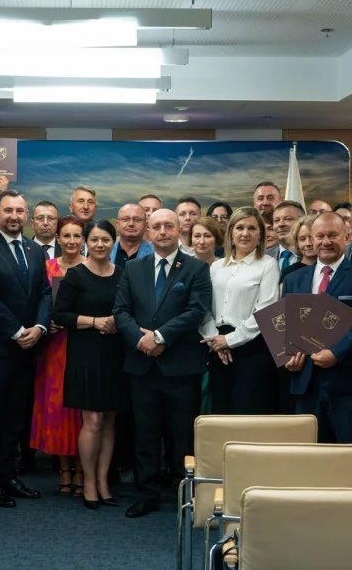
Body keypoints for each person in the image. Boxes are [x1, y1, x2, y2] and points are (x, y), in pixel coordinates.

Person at [113, 208, 212, 518]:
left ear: (180, 230)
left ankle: (185, 497)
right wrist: (142, 340)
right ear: (148, 233)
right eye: (156, 226)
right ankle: (147, 495)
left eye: (169, 225)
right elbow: (121, 311)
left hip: (181, 366)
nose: (163, 231)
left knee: (182, 437)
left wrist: (159, 337)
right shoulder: (133, 268)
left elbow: (196, 311)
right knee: (145, 435)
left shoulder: (196, 268)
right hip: (142, 366)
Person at [0, 189, 52, 508]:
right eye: (8, 210)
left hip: (27, 349)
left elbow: (44, 293)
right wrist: (17, 332)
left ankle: (9, 476)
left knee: (15, 420)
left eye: (19, 211)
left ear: (26, 215)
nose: (14, 216)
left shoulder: (35, 250)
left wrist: (40, 328)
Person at [281, 213, 352, 446]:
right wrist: (287, 356)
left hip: (350, 384)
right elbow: (286, 326)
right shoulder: (294, 279)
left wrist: (337, 353)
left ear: (346, 237)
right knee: (310, 455)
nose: (325, 242)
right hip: (306, 384)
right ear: (311, 239)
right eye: (320, 236)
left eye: (333, 235)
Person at [57, 219, 125, 509]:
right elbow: (60, 314)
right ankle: (87, 483)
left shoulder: (123, 274)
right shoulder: (75, 275)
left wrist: (118, 321)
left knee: (109, 419)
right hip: (84, 353)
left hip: (114, 353)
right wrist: (95, 321)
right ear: (87, 242)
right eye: (94, 239)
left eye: (105, 240)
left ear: (113, 242)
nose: (100, 245)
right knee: (93, 420)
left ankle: (103, 481)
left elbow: (130, 309)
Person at [200, 207, 280, 415]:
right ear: (231, 233)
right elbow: (204, 307)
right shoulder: (216, 267)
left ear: (260, 234)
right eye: (240, 227)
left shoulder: (268, 265)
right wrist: (215, 340)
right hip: (217, 347)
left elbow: (266, 309)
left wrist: (231, 340)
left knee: (248, 410)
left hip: (252, 347)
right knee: (221, 409)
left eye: (252, 228)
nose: (245, 233)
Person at [31, 216, 87, 496]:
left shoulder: (91, 267)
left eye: (77, 236)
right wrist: (46, 322)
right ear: (58, 238)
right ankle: (64, 471)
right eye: (66, 235)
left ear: (83, 239)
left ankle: (82, 470)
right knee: (58, 408)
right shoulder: (47, 267)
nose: (72, 241)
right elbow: (37, 301)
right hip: (54, 347)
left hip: (84, 345)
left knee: (81, 410)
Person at [110, 203, 153, 272]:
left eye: (137, 220)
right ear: (117, 225)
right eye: (125, 219)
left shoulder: (155, 253)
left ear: (145, 225)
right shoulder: (106, 251)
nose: (131, 224)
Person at [266, 200, 304, 273]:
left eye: (288, 219)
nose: (281, 224)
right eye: (277, 220)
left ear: (302, 222)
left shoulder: (312, 254)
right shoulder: (265, 255)